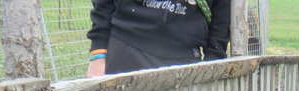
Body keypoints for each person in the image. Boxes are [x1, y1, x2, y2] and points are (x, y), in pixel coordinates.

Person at [87, 0, 230, 77]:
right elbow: (103, 5)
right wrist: (98, 55)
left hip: (185, 59)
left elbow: (221, 14)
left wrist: (214, 63)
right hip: (127, 48)